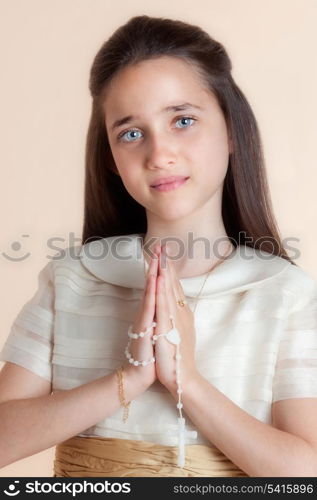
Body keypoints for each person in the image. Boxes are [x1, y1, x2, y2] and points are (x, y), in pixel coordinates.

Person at [0, 14, 316, 478]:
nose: (159, 153)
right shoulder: (72, 280)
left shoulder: (283, 293)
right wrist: (126, 381)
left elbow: (306, 471)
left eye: (183, 120)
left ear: (231, 130)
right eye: (131, 133)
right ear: (110, 159)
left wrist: (186, 380)